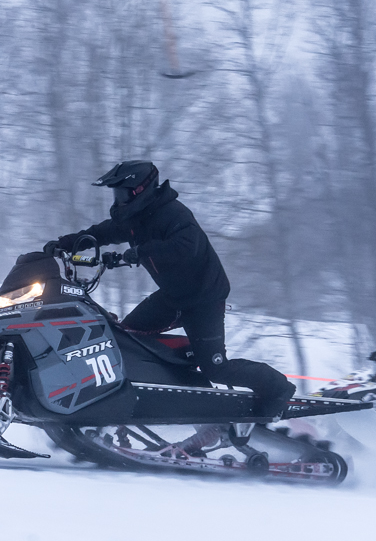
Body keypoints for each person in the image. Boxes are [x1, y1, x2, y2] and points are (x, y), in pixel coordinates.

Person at [45, 160, 296, 418]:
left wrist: (140, 253)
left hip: (203, 298)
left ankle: (278, 388)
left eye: (122, 193)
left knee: (215, 367)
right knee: (126, 339)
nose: (118, 199)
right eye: (116, 193)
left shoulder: (173, 213)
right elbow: (101, 233)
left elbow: (187, 246)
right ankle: (167, 386)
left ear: (140, 190)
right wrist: (64, 243)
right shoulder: (134, 219)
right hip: (172, 296)